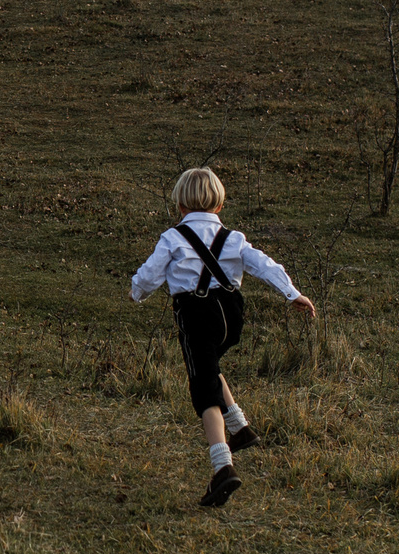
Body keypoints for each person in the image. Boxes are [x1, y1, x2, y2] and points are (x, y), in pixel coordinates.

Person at [129, 166, 314, 508]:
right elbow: (264, 265)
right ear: (219, 206)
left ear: (180, 206)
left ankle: (222, 468)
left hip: (196, 316)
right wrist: (292, 293)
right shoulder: (233, 238)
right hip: (231, 317)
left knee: (203, 389)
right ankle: (240, 428)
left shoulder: (172, 238)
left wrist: (136, 292)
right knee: (210, 366)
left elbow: (150, 274)